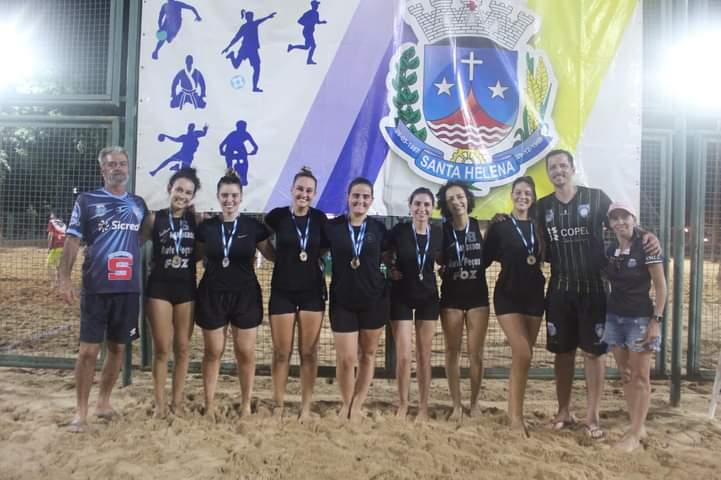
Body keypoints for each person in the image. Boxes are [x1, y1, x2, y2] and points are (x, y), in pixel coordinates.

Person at [538, 149, 660, 439]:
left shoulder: (595, 198)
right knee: (562, 353)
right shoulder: (543, 207)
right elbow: (529, 232)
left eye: (563, 165)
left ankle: (592, 416)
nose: (558, 171)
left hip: (594, 290)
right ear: (548, 173)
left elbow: (622, 223)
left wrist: (646, 234)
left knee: (594, 353)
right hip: (560, 289)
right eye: (553, 167)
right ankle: (564, 411)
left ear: (572, 168)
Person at [58, 146, 149, 433]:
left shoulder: (138, 204)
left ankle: (104, 403)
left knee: (118, 348)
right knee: (88, 351)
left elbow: (143, 235)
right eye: (112, 164)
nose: (117, 168)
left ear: (128, 168)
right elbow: (72, 240)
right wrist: (64, 278)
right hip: (96, 286)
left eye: (122, 163)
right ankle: (80, 412)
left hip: (128, 289)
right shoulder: (87, 201)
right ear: (103, 170)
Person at [195, 170, 274, 419]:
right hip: (212, 294)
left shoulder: (253, 227)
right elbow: (194, 256)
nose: (229, 200)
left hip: (245, 295)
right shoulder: (207, 227)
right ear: (218, 197)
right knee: (213, 351)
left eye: (234, 196)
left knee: (245, 352)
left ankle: (246, 403)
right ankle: (209, 404)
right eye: (225, 195)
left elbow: (272, 255)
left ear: (241, 197)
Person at [322, 177, 388, 420]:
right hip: (342, 301)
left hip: (373, 301)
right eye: (356, 196)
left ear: (371, 200)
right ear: (348, 198)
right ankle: (346, 403)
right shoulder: (333, 227)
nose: (360, 200)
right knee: (347, 358)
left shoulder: (379, 229)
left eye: (365, 196)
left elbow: (390, 256)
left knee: (368, 355)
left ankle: (358, 404)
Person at [264, 168, 327, 420]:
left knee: (308, 352)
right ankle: (278, 404)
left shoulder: (320, 219)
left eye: (309, 190)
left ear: (314, 194)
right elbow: (263, 242)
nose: (304, 194)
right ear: (291, 189)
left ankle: (306, 406)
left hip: (312, 292)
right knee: (281, 352)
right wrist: (278, 258)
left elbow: (323, 249)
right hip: (282, 291)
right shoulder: (277, 216)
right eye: (300, 189)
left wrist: (308, 260)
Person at [484, 176, 545, 436]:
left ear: (533, 197)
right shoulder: (501, 225)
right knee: (523, 353)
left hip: (534, 297)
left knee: (523, 358)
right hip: (507, 296)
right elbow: (483, 259)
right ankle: (516, 420)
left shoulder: (540, 226)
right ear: (511, 195)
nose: (523, 196)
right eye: (518, 192)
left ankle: (514, 411)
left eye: (527, 192)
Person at [603, 203, 666, 452]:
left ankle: (635, 433)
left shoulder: (647, 246)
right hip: (614, 318)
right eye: (615, 218)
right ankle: (636, 426)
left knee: (640, 376)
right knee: (626, 373)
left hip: (639, 319)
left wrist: (656, 321)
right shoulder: (611, 249)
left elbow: (661, 286)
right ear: (610, 223)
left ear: (633, 219)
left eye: (624, 217)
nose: (620, 222)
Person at [145, 167, 201, 418]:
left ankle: (177, 402)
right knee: (161, 348)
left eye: (188, 192)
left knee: (183, 349)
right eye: (179, 189)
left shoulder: (196, 220)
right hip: (159, 288)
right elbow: (136, 243)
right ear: (170, 189)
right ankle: (160, 404)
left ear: (193, 196)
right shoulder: (154, 218)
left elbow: (199, 253)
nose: (183, 196)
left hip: (186, 289)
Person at [386, 187, 442, 421]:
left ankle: (423, 406)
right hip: (401, 296)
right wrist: (389, 268)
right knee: (403, 356)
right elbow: (382, 252)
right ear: (410, 206)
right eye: (417, 204)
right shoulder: (399, 231)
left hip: (428, 297)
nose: (421, 209)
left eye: (426, 204)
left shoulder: (438, 233)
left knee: (424, 355)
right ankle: (402, 403)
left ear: (433, 208)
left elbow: (444, 258)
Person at [436, 181, 490, 421]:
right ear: (445, 205)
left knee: (475, 354)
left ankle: (475, 402)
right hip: (451, 297)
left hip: (478, 297)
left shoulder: (480, 226)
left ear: (467, 198)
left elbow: (490, 254)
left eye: (460, 197)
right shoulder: (442, 230)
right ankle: (457, 404)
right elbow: (436, 259)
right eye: (451, 199)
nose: (456, 202)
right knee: (452, 352)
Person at [222, 10, 277, 93]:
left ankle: (254, 87)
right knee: (237, 66)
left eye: (251, 16)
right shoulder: (245, 26)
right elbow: (236, 38)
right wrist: (228, 47)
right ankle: (232, 56)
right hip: (246, 49)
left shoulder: (253, 24)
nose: (251, 18)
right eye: (250, 17)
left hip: (252, 49)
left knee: (257, 68)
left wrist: (268, 17)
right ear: (247, 18)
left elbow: (261, 20)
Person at [219, 120, 258, 186]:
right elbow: (222, 144)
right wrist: (222, 151)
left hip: (239, 147)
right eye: (241, 127)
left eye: (243, 127)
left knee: (245, 160)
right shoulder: (233, 134)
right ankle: (229, 176)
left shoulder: (246, 134)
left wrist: (254, 151)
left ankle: (244, 177)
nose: (242, 129)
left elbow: (255, 146)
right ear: (237, 127)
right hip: (230, 148)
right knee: (229, 162)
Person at [287, 1, 327, 65]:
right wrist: (307, 23)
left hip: (310, 31)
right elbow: (299, 21)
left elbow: (317, 21)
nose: (317, 6)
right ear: (313, 5)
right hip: (307, 31)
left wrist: (322, 22)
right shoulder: (308, 13)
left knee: (306, 47)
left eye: (317, 5)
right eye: (316, 5)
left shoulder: (316, 13)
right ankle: (309, 60)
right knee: (313, 46)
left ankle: (292, 47)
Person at [47, 212, 67, 288]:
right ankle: (60, 282)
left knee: (49, 264)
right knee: (59, 265)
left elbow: (50, 235)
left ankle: (53, 283)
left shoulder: (51, 222)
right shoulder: (62, 223)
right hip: (64, 245)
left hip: (56, 246)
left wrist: (49, 247)